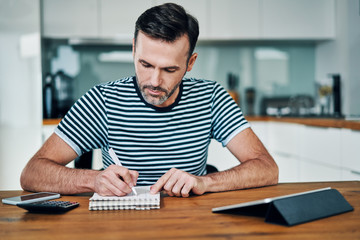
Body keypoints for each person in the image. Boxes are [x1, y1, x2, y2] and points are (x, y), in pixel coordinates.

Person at [21, 3, 278, 198]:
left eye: (169, 69)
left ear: (190, 63)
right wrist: (94, 180)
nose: (154, 81)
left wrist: (205, 182)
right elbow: (32, 173)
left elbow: (267, 168)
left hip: (190, 225)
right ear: (134, 49)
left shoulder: (211, 98)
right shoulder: (102, 100)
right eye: (145, 64)